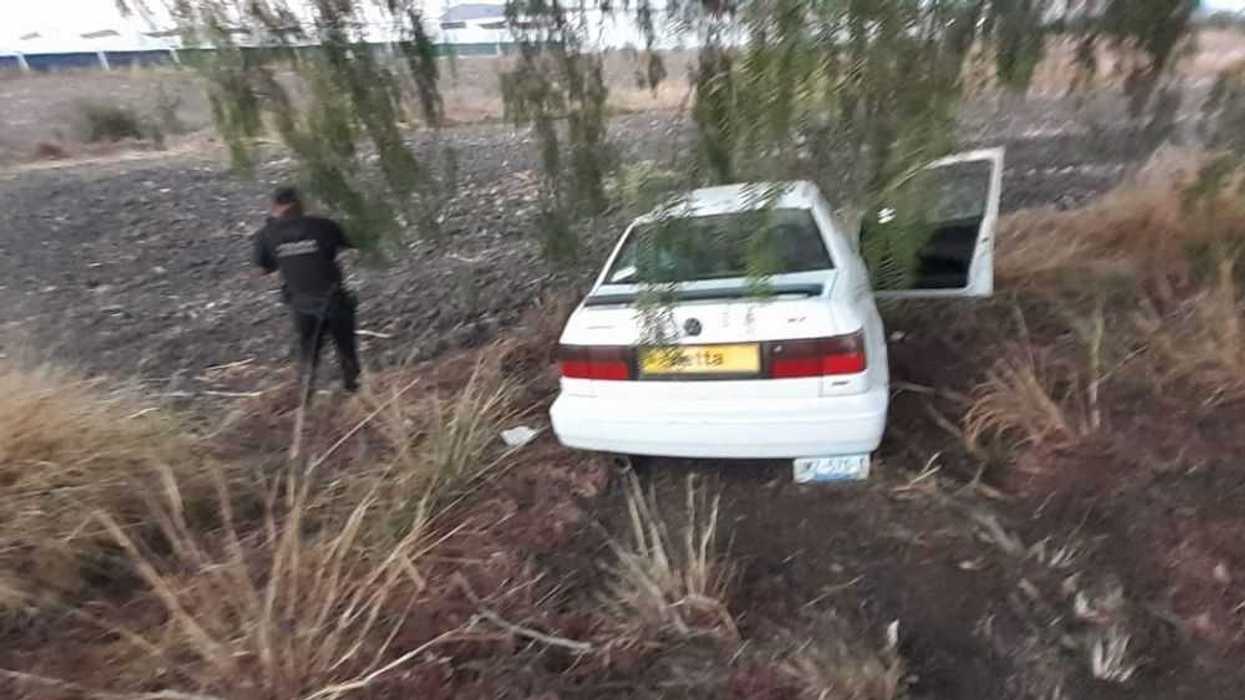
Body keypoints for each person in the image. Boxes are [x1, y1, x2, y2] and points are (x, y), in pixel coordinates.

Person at [254, 187, 361, 396]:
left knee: (308, 355)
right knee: (346, 351)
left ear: (276, 206)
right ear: (300, 204)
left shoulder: (266, 235)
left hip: (301, 304)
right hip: (334, 300)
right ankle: (354, 393)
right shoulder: (323, 226)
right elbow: (351, 247)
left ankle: (306, 401)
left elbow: (263, 269)